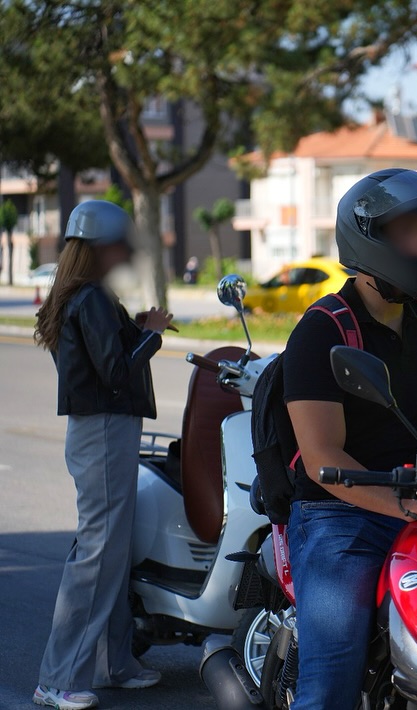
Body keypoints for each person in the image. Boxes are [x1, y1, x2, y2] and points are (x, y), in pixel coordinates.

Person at [283, 169, 417, 708]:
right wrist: (399, 501)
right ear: (372, 238)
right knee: (333, 673)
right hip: (341, 512)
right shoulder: (324, 329)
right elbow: (322, 459)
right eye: (413, 232)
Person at [32, 200, 173, 710]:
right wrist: (152, 334)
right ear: (97, 248)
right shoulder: (89, 297)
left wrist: (138, 326)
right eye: (117, 245)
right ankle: (56, 678)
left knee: (112, 548)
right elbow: (115, 373)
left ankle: (115, 664)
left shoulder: (81, 295)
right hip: (104, 430)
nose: (123, 254)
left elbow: (101, 357)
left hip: (100, 431)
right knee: (98, 555)